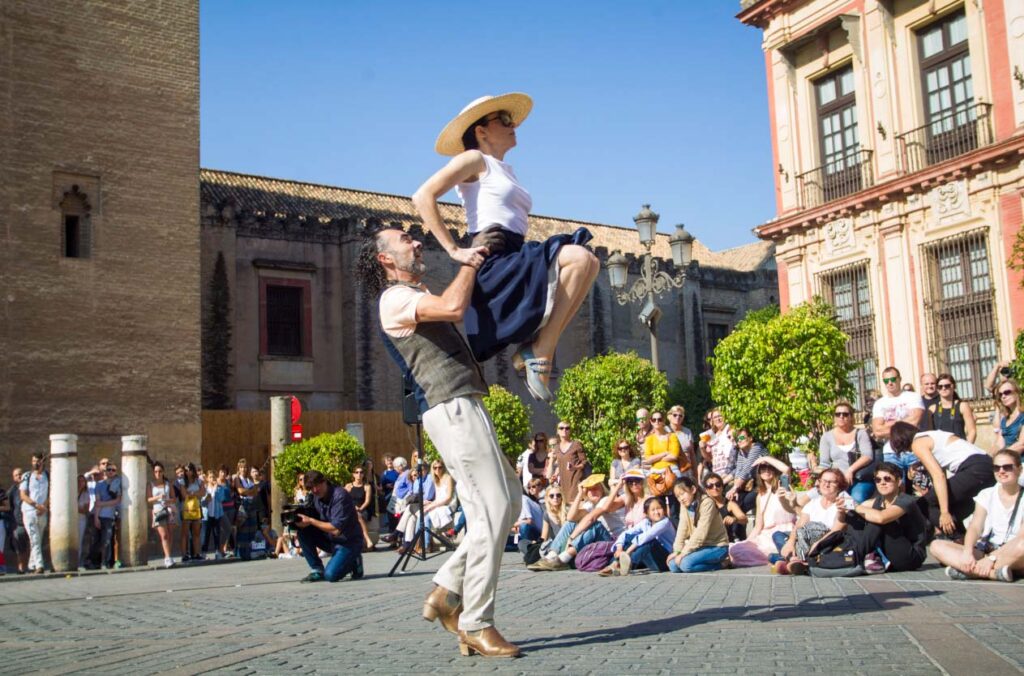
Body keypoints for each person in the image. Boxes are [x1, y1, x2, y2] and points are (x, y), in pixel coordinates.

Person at [358, 226, 521, 657]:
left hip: (463, 404)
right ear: (385, 259)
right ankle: (476, 622)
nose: (415, 241)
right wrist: (468, 262)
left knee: (512, 500)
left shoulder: (413, 293)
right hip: (451, 407)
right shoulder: (394, 299)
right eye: (404, 240)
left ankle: (448, 587)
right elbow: (452, 306)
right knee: (491, 509)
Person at [412, 92, 598, 402]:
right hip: (493, 256)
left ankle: (540, 349)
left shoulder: (505, 170)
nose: (514, 126)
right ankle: (540, 352)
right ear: (481, 131)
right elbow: (422, 196)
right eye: (504, 120)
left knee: (589, 262)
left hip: (515, 253)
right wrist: (454, 250)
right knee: (579, 258)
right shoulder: (474, 159)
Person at [930, 450, 1022, 582]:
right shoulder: (987, 494)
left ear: (1019, 469)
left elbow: (1021, 536)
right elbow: (975, 527)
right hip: (987, 549)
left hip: (1012, 552)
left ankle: (972, 571)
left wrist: (992, 559)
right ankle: (993, 573)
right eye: (996, 468)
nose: (1001, 471)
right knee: (936, 546)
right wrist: (968, 552)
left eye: (1007, 467)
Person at [889, 422, 994, 537]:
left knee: (922, 504)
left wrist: (944, 512)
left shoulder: (917, 443)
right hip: (987, 466)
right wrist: (918, 464)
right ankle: (967, 539)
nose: (910, 452)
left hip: (974, 469)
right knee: (956, 504)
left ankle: (960, 539)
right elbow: (941, 468)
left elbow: (939, 476)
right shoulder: (931, 435)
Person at [846, 462, 929, 574]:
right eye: (878, 480)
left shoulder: (907, 501)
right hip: (889, 553)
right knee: (853, 515)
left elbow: (882, 518)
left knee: (877, 518)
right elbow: (855, 511)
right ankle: (852, 554)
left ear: (899, 481)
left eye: (887, 479)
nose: (882, 483)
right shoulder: (876, 501)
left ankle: (856, 557)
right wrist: (843, 509)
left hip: (911, 556)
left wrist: (854, 506)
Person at [295, 470, 364, 583]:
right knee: (302, 531)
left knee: (331, 575)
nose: (315, 490)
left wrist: (311, 520)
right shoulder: (315, 497)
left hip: (348, 542)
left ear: (324, 482)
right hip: (332, 540)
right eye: (311, 488)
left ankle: (354, 560)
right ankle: (317, 569)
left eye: (317, 486)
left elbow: (336, 529)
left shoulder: (340, 496)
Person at [779, 468, 849, 575]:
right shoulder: (813, 503)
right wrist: (790, 542)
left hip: (828, 542)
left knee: (784, 544)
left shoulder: (843, 502)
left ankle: (791, 560)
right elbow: (800, 525)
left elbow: (838, 529)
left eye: (831, 482)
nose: (826, 484)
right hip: (805, 540)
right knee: (778, 535)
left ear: (839, 485)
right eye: (823, 481)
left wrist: (817, 544)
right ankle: (795, 559)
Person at [729, 457, 796, 566]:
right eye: (763, 468)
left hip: (783, 533)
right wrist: (748, 542)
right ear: (759, 473)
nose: (766, 470)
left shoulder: (783, 488)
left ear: (774, 470)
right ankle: (778, 559)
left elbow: (786, 469)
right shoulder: (760, 496)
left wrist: (764, 458)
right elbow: (758, 526)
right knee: (736, 549)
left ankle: (781, 559)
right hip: (766, 535)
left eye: (770, 467)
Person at [667, 477, 730, 573]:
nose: (681, 499)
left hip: (717, 547)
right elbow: (682, 530)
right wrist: (677, 551)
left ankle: (723, 563)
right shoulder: (684, 505)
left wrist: (684, 553)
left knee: (686, 565)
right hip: (700, 547)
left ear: (693, 489)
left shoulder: (707, 503)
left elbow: (701, 533)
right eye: (678, 497)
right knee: (673, 565)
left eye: (682, 494)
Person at [818, 401, 875, 503]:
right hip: (836, 481)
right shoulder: (826, 437)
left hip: (859, 478)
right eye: (838, 414)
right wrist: (819, 478)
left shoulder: (860, 433)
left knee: (856, 499)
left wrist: (851, 470)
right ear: (834, 417)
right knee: (813, 498)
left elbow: (868, 455)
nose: (841, 417)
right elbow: (824, 463)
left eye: (845, 414)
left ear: (851, 417)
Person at [604, 496, 676, 576]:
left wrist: (627, 553)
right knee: (629, 537)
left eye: (659, 508)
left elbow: (647, 536)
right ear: (646, 513)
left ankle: (622, 564)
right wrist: (619, 549)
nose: (656, 512)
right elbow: (625, 534)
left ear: (664, 509)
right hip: (651, 561)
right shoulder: (645, 522)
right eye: (653, 510)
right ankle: (614, 564)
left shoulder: (665, 522)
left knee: (649, 542)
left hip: (664, 560)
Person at [871, 367, 924, 472]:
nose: (890, 383)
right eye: (886, 381)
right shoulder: (879, 403)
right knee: (894, 487)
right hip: (891, 453)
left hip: (914, 450)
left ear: (899, 379)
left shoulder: (913, 397)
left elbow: (914, 422)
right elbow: (877, 431)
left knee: (921, 485)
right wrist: (902, 423)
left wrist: (888, 425)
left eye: (893, 379)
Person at [724, 427, 768, 514]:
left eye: (741, 438)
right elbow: (739, 470)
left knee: (741, 507)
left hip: (765, 483)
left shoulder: (757, 447)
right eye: (737, 439)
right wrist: (735, 490)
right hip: (751, 484)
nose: (739, 441)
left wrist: (734, 488)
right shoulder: (741, 451)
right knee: (734, 500)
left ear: (750, 438)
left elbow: (747, 469)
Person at [20, 453, 49, 574]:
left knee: (38, 538)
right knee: (35, 538)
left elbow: (51, 493)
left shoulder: (47, 475)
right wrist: (36, 505)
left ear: (42, 461)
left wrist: (44, 506)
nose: (35, 463)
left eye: (37, 461)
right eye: (33, 461)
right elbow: (23, 495)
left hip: (42, 511)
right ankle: (39, 565)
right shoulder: (27, 476)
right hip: (29, 511)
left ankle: (31, 564)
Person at [925, 373, 976, 443]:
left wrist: (966, 448)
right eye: (940, 386)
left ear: (953, 386)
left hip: (960, 447)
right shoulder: (932, 409)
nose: (943, 388)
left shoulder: (962, 406)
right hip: (940, 449)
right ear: (937, 389)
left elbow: (972, 431)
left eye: (947, 386)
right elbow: (930, 433)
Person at [704, 472, 747, 542]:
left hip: (730, 541)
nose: (715, 488)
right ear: (706, 490)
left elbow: (744, 519)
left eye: (718, 485)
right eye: (710, 486)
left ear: (722, 487)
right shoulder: (705, 506)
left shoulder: (730, 504)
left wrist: (734, 519)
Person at [149, 462, 176, 568]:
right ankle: (168, 557)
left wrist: (168, 500)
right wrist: (158, 497)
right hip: (158, 511)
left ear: (163, 472)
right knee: (163, 535)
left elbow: (174, 498)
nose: (158, 473)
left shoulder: (168, 484)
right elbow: (149, 499)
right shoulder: (151, 484)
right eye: (156, 471)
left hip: (168, 510)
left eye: (160, 471)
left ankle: (167, 555)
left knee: (169, 534)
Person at [552, 421, 587, 503]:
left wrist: (575, 467)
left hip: (576, 482)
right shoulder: (556, 447)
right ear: (557, 431)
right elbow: (560, 465)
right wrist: (555, 474)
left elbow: (584, 462)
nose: (564, 430)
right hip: (563, 485)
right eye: (561, 428)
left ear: (570, 431)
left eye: (567, 428)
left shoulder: (576, 444)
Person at [346, 465, 376, 550]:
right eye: (357, 472)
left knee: (358, 514)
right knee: (357, 515)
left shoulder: (367, 486)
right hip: (350, 509)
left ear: (363, 474)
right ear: (353, 474)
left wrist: (360, 508)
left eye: (361, 472)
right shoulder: (348, 486)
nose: (359, 474)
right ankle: (367, 539)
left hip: (363, 509)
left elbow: (367, 501)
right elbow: (345, 500)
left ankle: (365, 541)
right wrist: (353, 507)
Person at [701, 409, 735, 483]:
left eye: (720, 416)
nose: (718, 419)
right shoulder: (712, 435)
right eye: (715, 417)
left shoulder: (730, 429)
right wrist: (702, 448)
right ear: (712, 420)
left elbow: (740, 439)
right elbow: (710, 459)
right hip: (717, 473)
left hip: (729, 471)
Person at [178, 463, 203, 561]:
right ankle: (184, 554)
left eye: (190, 470)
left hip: (197, 508)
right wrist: (196, 494)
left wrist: (192, 493)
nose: (188, 472)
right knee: (185, 533)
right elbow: (184, 495)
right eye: (186, 470)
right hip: (187, 508)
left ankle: (197, 553)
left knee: (196, 532)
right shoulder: (182, 482)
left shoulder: (199, 481)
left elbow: (203, 493)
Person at [992, 379, 1023, 453]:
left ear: (1017, 393)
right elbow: (999, 444)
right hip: (1007, 460)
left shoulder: (1022, 416)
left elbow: (1021, 444)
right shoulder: (1004, 420)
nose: (1003, 396)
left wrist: (1002, 455)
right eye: (1000, 394)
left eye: (1007, 392)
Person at [667, 405, 697, 480]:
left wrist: (695, 473)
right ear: (669, 416)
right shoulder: (664, 431)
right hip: (671, 469)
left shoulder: (687, 432)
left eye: (681, 415)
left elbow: (692, 454)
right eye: (675, 415)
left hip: (686, 468)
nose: (678, 417)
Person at [8, 468, 29, 574]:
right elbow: (10, 506)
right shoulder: (12, 490)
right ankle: (21, 568)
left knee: (32, 544)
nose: (19, 476)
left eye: (20, 474)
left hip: (30, 519)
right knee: (19, 546)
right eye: (16, 475)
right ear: (13, 478)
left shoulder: (29, 486)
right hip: (19, 522)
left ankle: (32, 565)